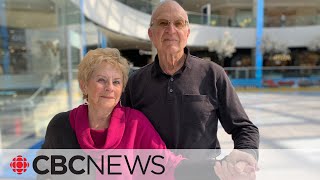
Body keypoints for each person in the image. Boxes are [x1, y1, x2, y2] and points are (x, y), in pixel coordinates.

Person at [122, 0, 259, 179]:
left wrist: (244, 156)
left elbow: (244, 128)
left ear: (187, 33)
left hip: (203, 174)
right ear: (151, 34)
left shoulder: (212, 74)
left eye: (178, 23)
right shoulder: (135, 83)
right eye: (163, 23)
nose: (171, 30)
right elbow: (122, 135)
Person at [41, 48, 168, 150]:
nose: (110, 88)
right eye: (101, 80)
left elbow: (165, 165)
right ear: (84, 86)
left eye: (116, 82)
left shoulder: (135, 124)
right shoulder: (60, 125)